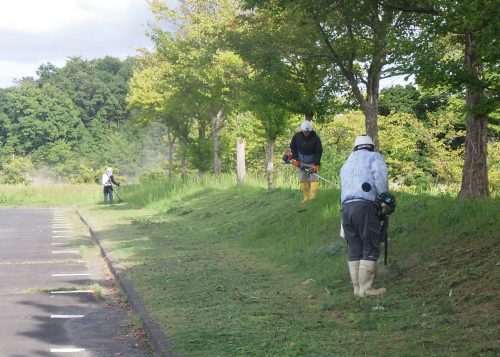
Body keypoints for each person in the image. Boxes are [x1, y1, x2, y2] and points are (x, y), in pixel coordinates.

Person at [340, 135, 388, 297]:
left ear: (356, 147)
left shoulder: (347, 161)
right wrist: (384, 197)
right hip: (365, 207)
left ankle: (357, 289)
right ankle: (366, 289)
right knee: (370, 245)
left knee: (355, 247)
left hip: (346, 208)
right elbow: (380, 178)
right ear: (371, 146)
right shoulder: (374, 157)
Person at [289, 120, 323, 203]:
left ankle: (312, 198)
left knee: (314, 178)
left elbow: (319, 151)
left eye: (308, 132)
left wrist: (315, 164)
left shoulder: (316, 139)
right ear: (302, 130)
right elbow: (293, 147)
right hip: (301, 160)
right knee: (302, 178)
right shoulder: (297, 137)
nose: (306, 133)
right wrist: (295, 159)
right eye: (305, 131)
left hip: (312, 161)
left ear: (310, 130)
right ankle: (306, 197)